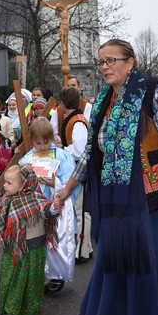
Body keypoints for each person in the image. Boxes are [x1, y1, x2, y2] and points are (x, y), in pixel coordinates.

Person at [55, 39, 158, 315]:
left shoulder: (152, 90)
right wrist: (66, 189)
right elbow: (93, 154)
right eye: (101, 61)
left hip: (154, 194)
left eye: (111, 60)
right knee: (117, 261)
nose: (105, 66)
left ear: (130, 62)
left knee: (152, 262)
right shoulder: (104, 101)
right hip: (116, 198)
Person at [0, 165, 59, 315]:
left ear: (23, 185)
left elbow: (48, 212)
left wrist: (55, 207)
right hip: (12, 248)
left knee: (31, 280)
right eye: (5, 182)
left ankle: (29, 312)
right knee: (11, 278)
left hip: (32, 249)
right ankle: (11, 308)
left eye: (9, 183)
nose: (4, 186)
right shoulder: (6, 200)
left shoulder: (36, 198)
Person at [19, 117, 77, 294]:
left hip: (54, 203)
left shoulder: (62, 156)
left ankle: (55, 276)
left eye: (46, 142)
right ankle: (37, 273)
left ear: (51, 138)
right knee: (36, 240)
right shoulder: (27, 158)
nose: (42, 146)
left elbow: (71, 181)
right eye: (38, 142)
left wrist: (55, 184)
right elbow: (18, 181)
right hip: (35, 207)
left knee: (55, 241)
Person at [58, 86, 93, 264]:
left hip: (79, 171)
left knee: (81, 211)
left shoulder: (77, 121)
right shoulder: (76, 119)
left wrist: (62, 148)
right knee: (78, 210)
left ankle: (82, 250)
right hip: (76, 170)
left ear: (63, 104)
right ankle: (85, 247)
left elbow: (80, 150)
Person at [51, 74, 92, 141]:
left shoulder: (87, 106)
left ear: (79, 87)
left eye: (73, 86)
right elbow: (53, 132)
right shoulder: (59, 110)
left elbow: (89, 128)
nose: (70, 88)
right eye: (67, 86)